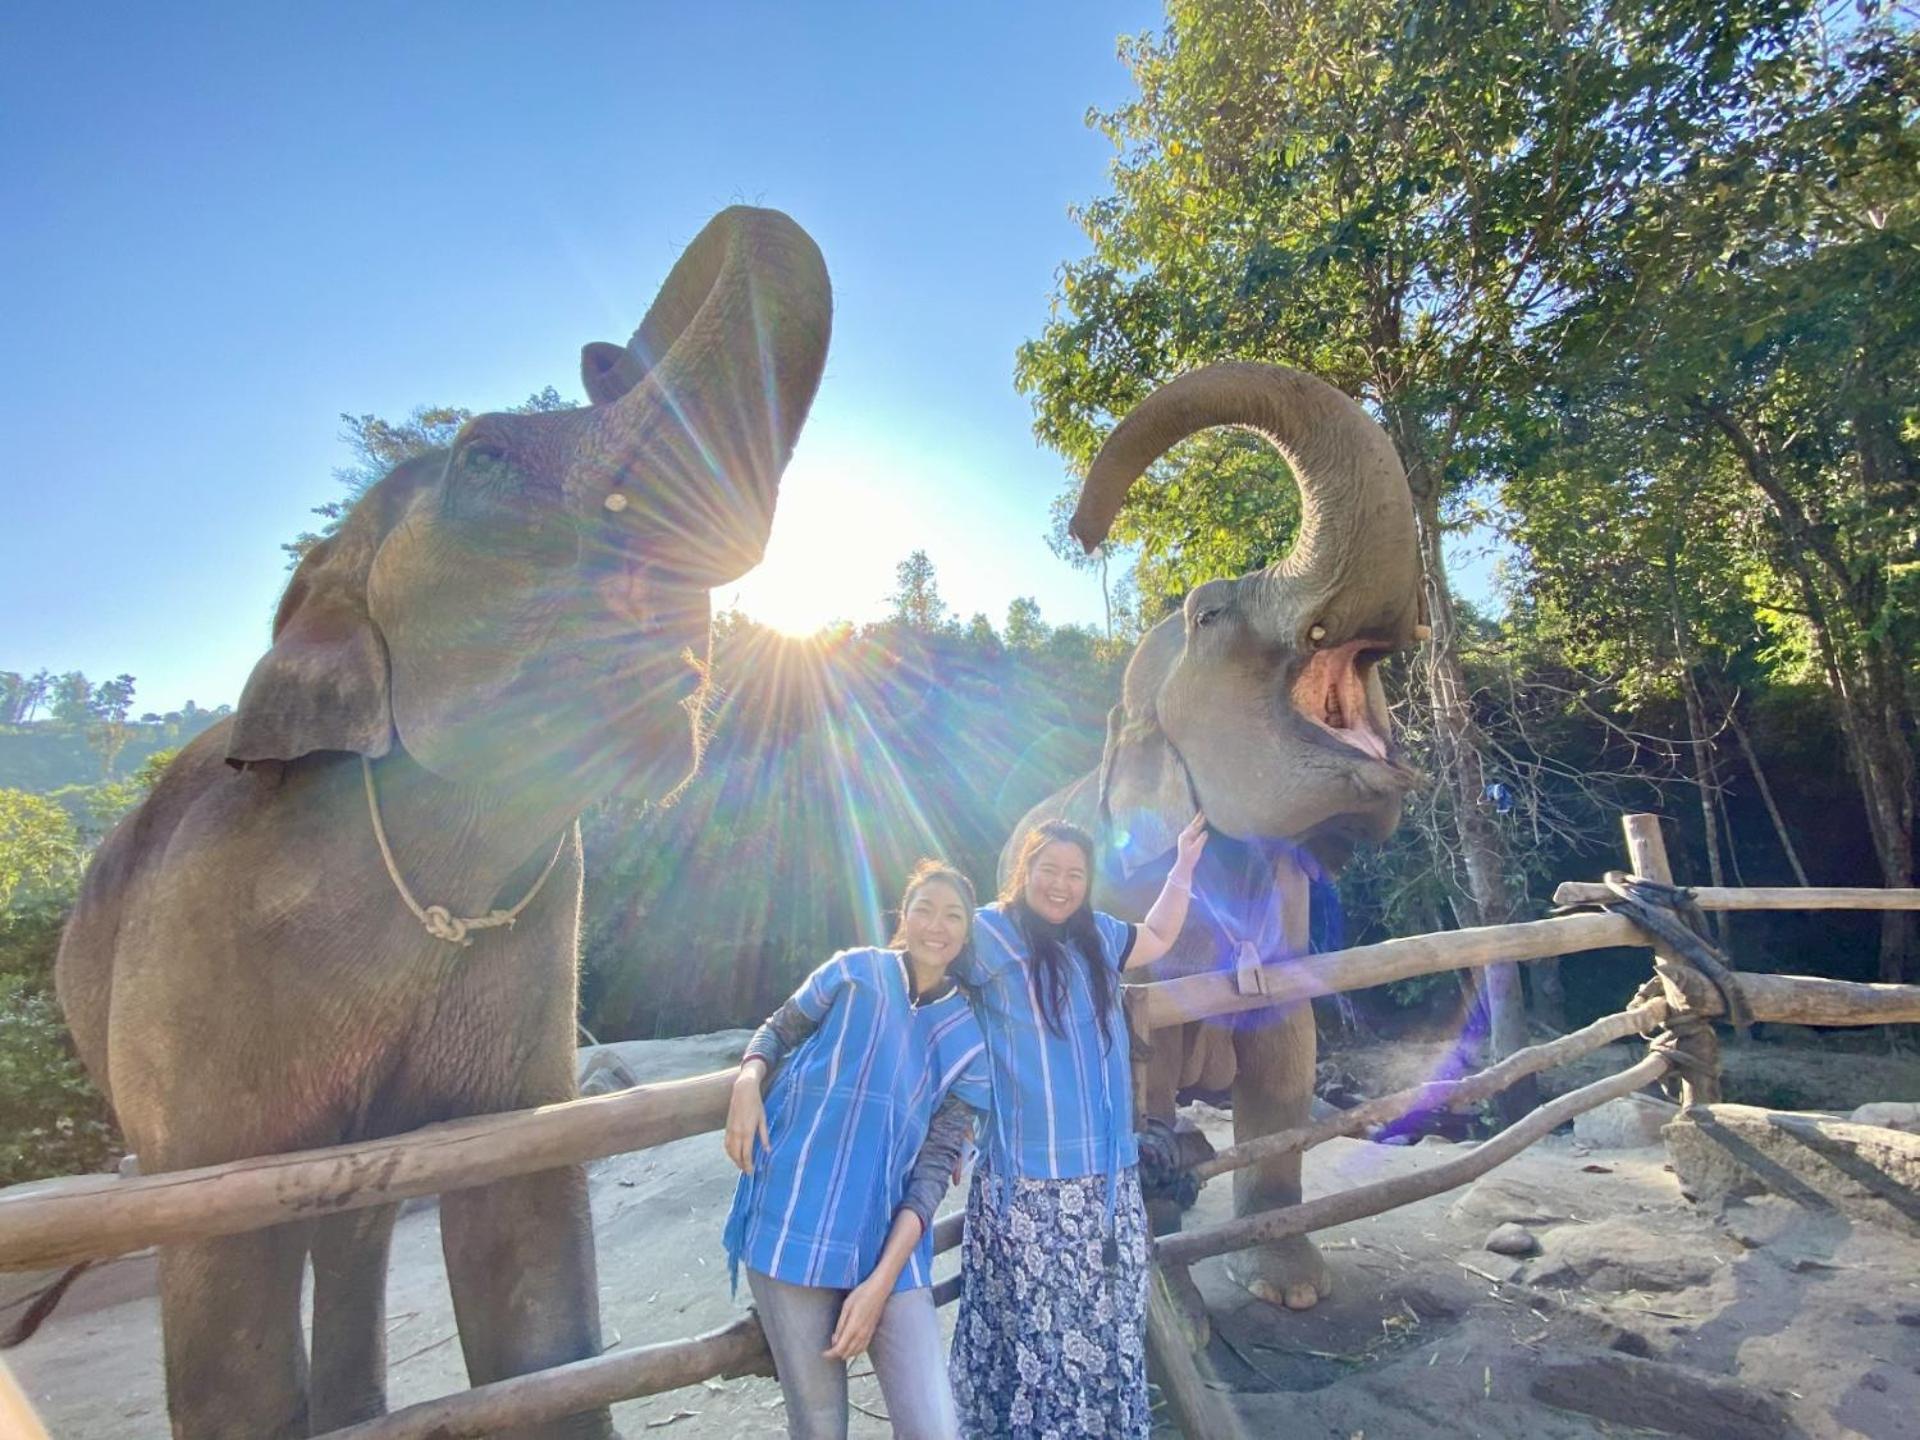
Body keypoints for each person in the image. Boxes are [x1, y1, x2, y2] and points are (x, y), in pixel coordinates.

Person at [949, 815, 1207, 1439]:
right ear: (1025, 871)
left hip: (1108, 1184)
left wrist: (1182, 869)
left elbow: (1160, 935)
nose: (1061, 885)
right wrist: (948, 1109)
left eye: (1074, 874)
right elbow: (921, 986)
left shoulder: (1096, 936)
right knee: (1035, 1343)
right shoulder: (987, 932)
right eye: (1049, 870)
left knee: (1103, 1331)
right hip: (1028, 1190)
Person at [723, 861, 990, 1440]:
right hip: (792, 1218)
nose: (935, 925)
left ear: (967, 934)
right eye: (924, 909)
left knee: (935, 1429)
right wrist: (748, 1080)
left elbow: (933, 1173)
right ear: (904, 915)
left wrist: (876, 1288)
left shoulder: (968, 1037)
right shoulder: (852, 971)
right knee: (819, 1427)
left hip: (886, 1244)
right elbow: (780, 1028)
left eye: (953, 916)